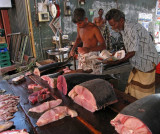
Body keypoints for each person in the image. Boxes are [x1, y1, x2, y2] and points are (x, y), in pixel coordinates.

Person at [105, 9, 160, 99]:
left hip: (146, 61)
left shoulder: (131, 28)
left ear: (121, 20)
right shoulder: (123, 29)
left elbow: (132, 52)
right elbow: (128, 46)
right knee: (133, 87)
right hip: (139, 62)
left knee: (143, 92)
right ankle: (134, 104)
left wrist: (116, 62)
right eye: (111, 25)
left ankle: (142, 108)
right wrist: (118, 53)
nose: (112, 28)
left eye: (113, 24)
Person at [70, 8, 106, 74]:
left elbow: (103, 45)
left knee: (94, 80)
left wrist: (89, 49)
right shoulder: (79, 26)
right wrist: (73, 48)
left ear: (86, 19)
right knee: (81, 77)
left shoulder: (94, 28)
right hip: (83, 57)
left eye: (80, 23)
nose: (78, 25)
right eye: (77, 24)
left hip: (93, 57)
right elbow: (78, 38)